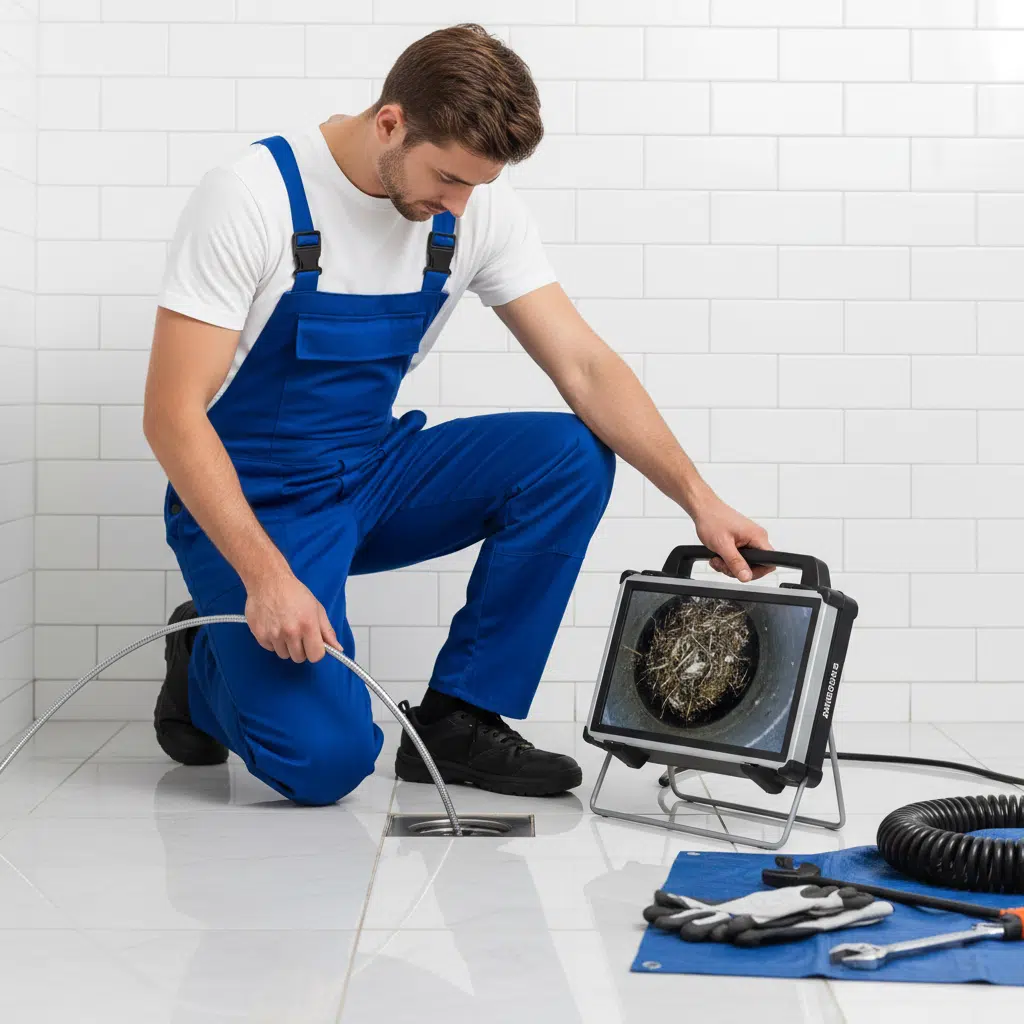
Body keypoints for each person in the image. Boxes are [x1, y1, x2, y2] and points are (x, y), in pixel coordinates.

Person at [144, 23, 773, 807]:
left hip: (373, 473)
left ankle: (459, 718)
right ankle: (207, 657)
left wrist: (699, 499)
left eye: (477, 185)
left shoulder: (472, 207)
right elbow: (171, 416)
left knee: (567, 455)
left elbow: (584, 365)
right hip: (257, 503)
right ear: (390, 122)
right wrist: (265, 578)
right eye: (447, 178)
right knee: (326, 765)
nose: (460, 204)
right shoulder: (253, 196)